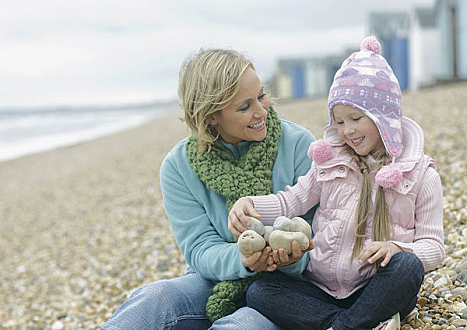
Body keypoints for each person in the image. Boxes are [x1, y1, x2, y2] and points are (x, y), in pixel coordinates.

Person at [228, 36, 445, 330]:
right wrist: (250, 204)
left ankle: (354, 320)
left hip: (377, 289)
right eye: (340, 122)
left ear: (385, 118)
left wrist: (396, 248)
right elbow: (292, 201)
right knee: (260, 291)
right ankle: (353, 324)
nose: (348, 131)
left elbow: (434, 247)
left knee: (407, 268)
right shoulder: (329, 163)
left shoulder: (420, 175)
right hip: (321, 290)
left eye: (356, 118)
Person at [101, 48, 317, 330]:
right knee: (153, 297)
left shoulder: (300, 144)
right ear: (211, 116)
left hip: (287, 288)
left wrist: (289, 257)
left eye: (261, 96)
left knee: (243, 325)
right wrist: (246, 260)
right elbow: (200, 248)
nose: (262, 110)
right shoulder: (178, 166)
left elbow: (319, 236)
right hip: (214, 283)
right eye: (245, 106)